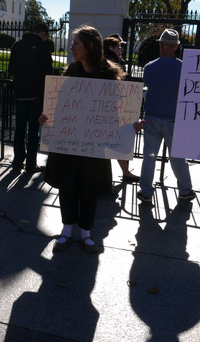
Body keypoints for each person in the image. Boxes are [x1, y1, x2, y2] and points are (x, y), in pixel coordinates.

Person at [40, 25, 125, 254]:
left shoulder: (108, 75)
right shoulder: (71, 72)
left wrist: (129, 125)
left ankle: (86, 234)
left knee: (89, 187)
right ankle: (67, 231)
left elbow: (118, 111)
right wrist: (46, 119)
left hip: (94, 144)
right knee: (67, 186)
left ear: (89, 46)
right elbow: (59, 106)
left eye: (75, 43)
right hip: (68, 142)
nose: (71, 48)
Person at [136, 29, 195, 203]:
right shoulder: (185, 68)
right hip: (175, 118)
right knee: (178, 157)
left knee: (149, 156)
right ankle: (185, 190)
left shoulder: (150, 67)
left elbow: (147, 87)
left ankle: (146, 191)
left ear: (161, 45)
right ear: (176, 47)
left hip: (152, 117)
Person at [8, 22, 53, 173]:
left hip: (19, 94)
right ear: (42, 34)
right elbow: (48, 72)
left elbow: (11, 69)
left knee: (19, 130)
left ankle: (17, 162)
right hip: (36, 96)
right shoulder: (43, 47)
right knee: (33, 132)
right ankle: (31, 164)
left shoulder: (17, 45)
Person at [103, 35, 139, 183]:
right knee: (112, 142)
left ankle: (125, 172)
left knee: (116, 141)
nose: (121, 49)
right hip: (111, 110)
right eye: (119, 47)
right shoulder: (110, 63)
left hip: (112, 109)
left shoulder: (113, 61)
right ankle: (116, 175)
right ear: (111, 48)